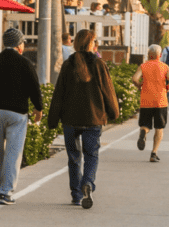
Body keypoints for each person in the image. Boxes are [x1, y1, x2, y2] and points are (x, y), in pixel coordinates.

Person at [47, 29, 119, 209]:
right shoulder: (99, 64)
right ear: (91, 44)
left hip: (70, 120)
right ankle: (87, 183)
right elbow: (108, 91)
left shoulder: (68, 64)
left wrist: (52, 119)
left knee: (73, 158)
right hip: (93, 118)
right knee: (91, 155)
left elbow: (59, 94)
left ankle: (76, 194)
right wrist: (114, 113)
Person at [0, 28, 44, 205]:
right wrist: (39, 108)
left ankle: (0, 186)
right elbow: (34, 88)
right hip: (17, 114)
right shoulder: (25, 63)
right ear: (19, 45)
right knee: (13, 151)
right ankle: (6, 191)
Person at [132, 44, 169, 163]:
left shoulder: (143, 66)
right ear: (160, 55)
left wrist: (140, 86)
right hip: (160, 101)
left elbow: (135, 79)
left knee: (145, 124)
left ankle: (144, 132)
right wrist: (166, 88)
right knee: (159, 128)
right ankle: (154, 153)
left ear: (148, 55)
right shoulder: (164, 67)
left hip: (146, 100)